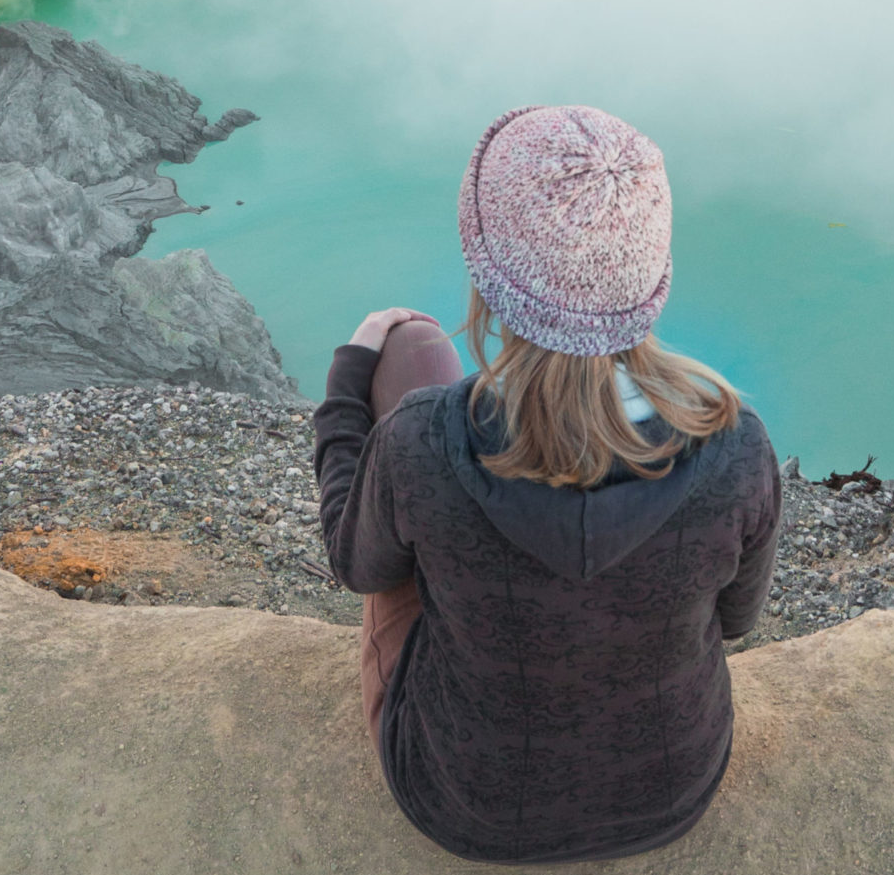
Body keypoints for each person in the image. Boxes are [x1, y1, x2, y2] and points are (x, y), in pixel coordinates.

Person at [313, 104, 782, 864]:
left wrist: (346, 389)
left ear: (491, 280)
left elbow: (355, 564)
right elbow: (736, 620)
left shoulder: (421, 440)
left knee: (416, 347)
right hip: (671, 789)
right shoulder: (736, 446)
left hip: (464, 802)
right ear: (648, 274)